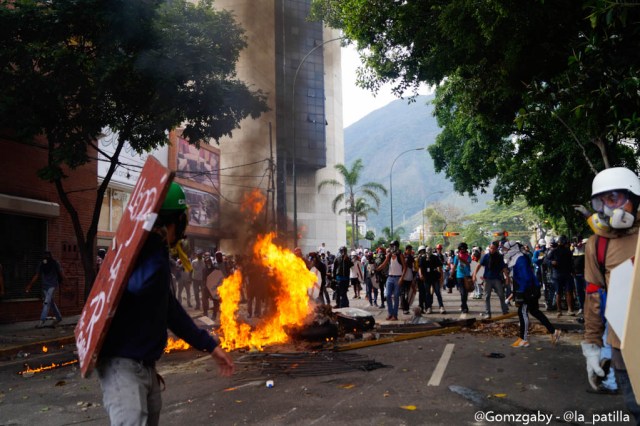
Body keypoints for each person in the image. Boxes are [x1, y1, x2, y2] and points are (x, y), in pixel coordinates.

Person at [96, 182, 234, 425]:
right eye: (184, 219)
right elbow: (137, 286)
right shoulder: (143, 254)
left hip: (145, 365)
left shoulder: (151, 254)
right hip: (123, 364)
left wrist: (209, 345)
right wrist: (155, 245)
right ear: (176, 220)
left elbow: (171, 311)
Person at [582, 167, 640, 421]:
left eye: (614, 198)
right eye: (602, 201)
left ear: (633, 197)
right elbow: (593, 296)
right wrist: (592, 347)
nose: (608, 207)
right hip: (623, 348)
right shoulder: (598, 244)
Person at [502, 240, 559, 348]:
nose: (504, 251)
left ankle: (523, 339)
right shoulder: (517, 258)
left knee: (522, 312)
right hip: (530, 289)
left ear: (512, 249)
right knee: (534, 311)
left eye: (505, 249)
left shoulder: (520, 259)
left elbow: (526, 278)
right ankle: (554, 331)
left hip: (528, 290)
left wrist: (521, 293)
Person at [25, 251, 64, 328]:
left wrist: (65, 284)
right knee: (50, 302)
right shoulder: (41, 264)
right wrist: (30, 285)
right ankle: (59, 318)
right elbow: (37, 275)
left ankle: (42, 320)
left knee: (46, 302)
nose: (45, 258)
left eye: (47, 256)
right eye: (44, 257)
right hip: (45, 287)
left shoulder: (55, 263)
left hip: (52, 285)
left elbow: (61, 273)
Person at [472, 241, 510, 319]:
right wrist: (474, 274)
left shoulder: (499, 257)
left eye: (493, 249)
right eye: (491, 248)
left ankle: (504, 311)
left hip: (497, 279)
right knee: (487, 297)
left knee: (501, 295)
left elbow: (503, 268)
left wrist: (507, 278)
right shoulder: (486, 256)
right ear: (489, 247)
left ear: (496, 249)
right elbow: (479, 265)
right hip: (487, 279)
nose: (492, 250)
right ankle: (488, 313)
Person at [376, 240, 406, 321]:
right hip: (390, 277)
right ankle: (390, 313)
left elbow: (404, 267)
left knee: (396, 296)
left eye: (392, 246)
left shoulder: (400, 255)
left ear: (396, 246)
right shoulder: (389, 255)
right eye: (391, 246)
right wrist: (376, 269)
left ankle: (395, 315)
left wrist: (401, 278)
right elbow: (384, 264)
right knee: (388, 295)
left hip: (397, 278)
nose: (391, 247)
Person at [547, 235, 576, 316]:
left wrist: (572, 271)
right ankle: (561, 310)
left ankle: (566, 310)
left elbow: (571, 263)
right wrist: (551, 262)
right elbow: (547, 260)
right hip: (558, 274)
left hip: (564, 274)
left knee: (565, 292)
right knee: (562, 292)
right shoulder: (554, 251)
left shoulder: (567, 251)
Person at [453, 243, 471, 313]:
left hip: (466, 275)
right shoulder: (456, 257)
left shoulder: (468, 256)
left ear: (465, 248)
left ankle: (463, 305)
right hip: (459, 276)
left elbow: (468, 263)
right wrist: (451, 275)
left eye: (463, 248)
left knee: (465, 292)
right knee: (462, 292)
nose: (462, 249)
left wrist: (460, 258)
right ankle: (464, 307)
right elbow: (454, 266)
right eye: (461, 248)